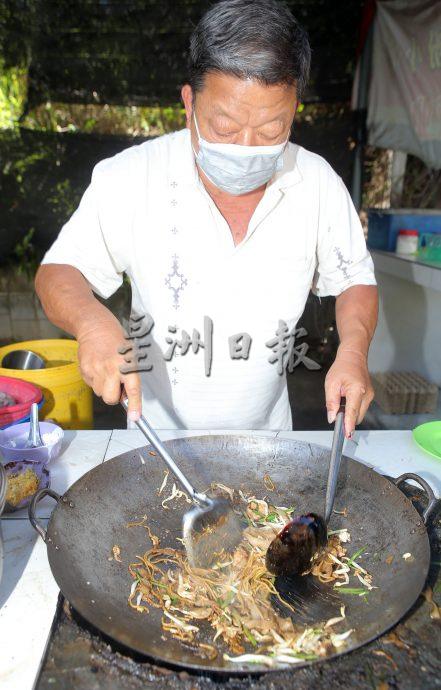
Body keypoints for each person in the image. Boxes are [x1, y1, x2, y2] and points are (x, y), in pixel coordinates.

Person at [35, 0, 378, 438]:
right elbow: (57, 273)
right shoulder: (130, 176)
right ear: (188, 102)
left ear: (294, 111)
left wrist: (354, 350)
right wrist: (91, 322)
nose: (248, 147)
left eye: (272, 130)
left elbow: (354, 281)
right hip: (156, 443)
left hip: (269, 446)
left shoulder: (316, 183)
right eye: (225, 127)